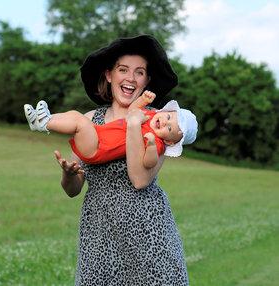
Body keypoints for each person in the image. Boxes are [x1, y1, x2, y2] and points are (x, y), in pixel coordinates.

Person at [48, 35, 192, 285]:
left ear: (147, 81)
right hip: (99, 230)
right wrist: (69, 175)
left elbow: (140, 180)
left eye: (139, 72)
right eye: (122, 70)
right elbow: (73, 190)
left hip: (147, 230)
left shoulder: (156, 122)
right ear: (109, 75)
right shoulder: (90, 120)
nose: (130, 78)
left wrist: (134, 121)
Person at [24, 90, 197, 168]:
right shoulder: (150, 115)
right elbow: (132, 112)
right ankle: (42, 120)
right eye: (168, 117)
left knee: (80, 123)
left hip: (99, 148)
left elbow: (148, 163)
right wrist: (143, 100)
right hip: (97, 135)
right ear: (165, 111)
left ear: (169, 140)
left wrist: (151, 146)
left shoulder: (158, 142)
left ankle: (45, 123)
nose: (164, 122)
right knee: (76, 116)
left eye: (169, 128)